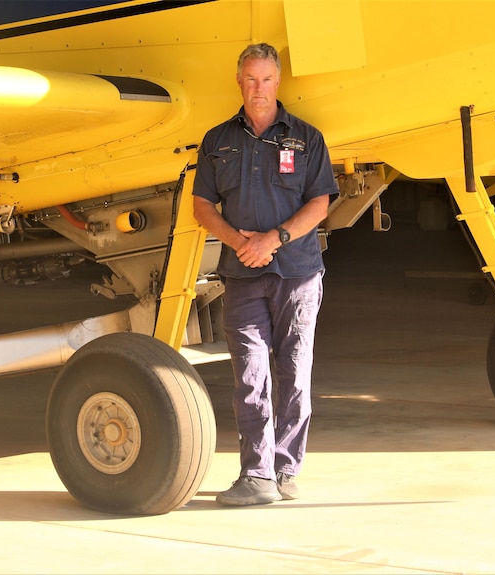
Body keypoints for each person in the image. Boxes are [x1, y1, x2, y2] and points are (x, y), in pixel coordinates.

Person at [192, 43, 338, 506]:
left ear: (279, 83)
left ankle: (285, 469)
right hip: (242, 274)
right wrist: (240, 243)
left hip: (297, 273)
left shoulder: (306, 137)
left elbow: (320, 201)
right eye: (251, 79)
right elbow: (201, 206)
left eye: (267, 80)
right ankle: (256, 475)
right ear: (239, 82)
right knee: (250, 377)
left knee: (294, 375)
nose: (259, 89)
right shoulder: (217, 141)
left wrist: (272, 239)